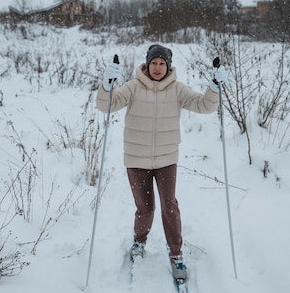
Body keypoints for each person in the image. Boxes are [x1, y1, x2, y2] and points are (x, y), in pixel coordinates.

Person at [96, 44, 227, 280]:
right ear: (147, 65)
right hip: (136, 159)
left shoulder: (176, 89)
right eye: (154, 63)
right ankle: (139, 242)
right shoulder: (133, 87)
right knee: (145, 209)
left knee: (170, 207)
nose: (157, 68)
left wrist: (214, 88)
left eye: (162, 63)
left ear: (168, 66)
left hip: (166, 159)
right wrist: (107, 85)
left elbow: (204, 105)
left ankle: (176, 254)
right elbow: (107, 104)